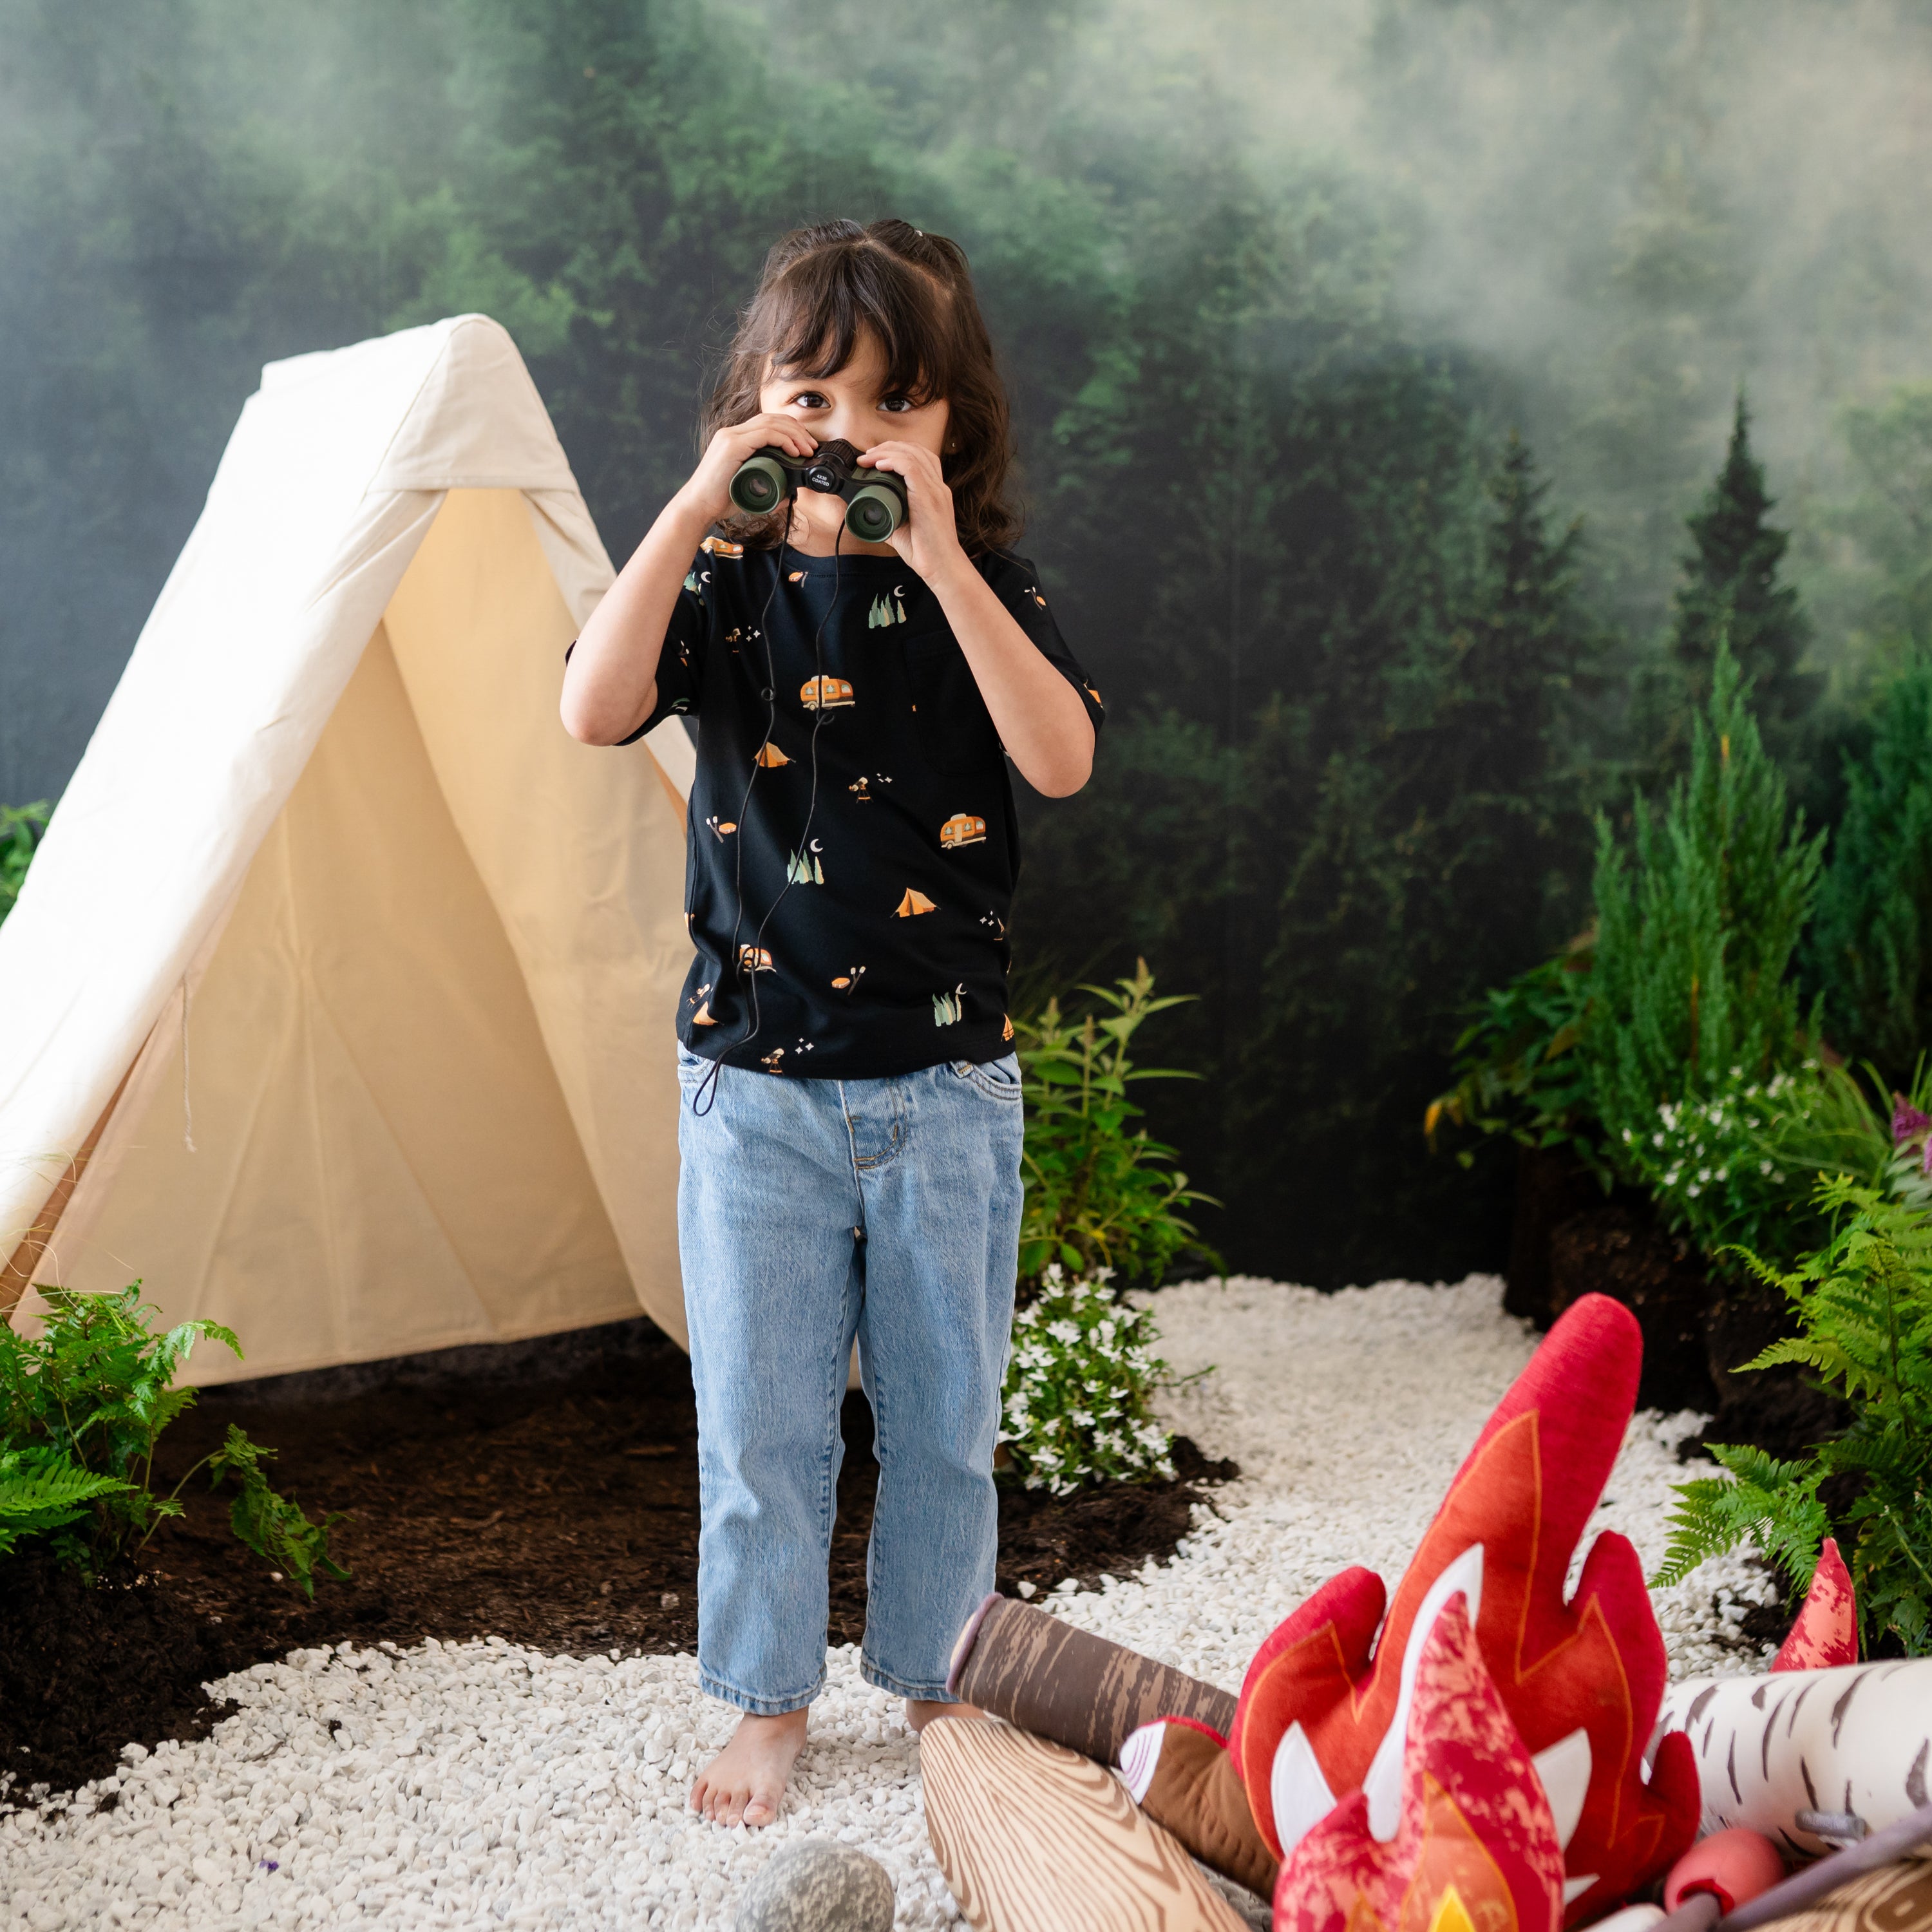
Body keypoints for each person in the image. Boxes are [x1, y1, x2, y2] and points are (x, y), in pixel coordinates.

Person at [560, 216, 1103, 1829]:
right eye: (812, 399)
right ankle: (765, 1698)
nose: (849, 435)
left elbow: (1060, 758)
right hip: (756, 1088)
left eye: (893, 405)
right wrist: (694, 506)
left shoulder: (985, 587)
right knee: (760, 1422)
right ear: (753, 411)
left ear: (954, 427)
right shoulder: (724, 589)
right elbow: (592, 707)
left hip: (944, 1087)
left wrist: (938, 557)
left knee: (945, 1422)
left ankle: (939, 1673)